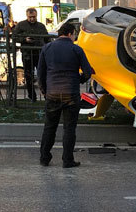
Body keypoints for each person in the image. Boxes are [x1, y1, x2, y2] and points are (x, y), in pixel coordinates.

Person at [38, 23, 94, 168]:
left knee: (49, 127)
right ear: (70, 33)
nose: (75, 37)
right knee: (69, 129)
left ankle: (45, 158)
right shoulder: (76, 49)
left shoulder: (47, 48)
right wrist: (79, 80)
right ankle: (67, 160)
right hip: (71, 94)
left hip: (52, 94)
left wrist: (45, 91)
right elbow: (88, 72)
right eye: (75, 34)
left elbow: (41, 74)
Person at [13, 8, 49, 102]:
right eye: (30, 17)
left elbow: (47, 38)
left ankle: (46, 95)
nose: (32, 19)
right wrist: (24, 39)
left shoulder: (41, 26)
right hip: (27, 54)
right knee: (29, 76)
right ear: (27, 16)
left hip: (39, 53)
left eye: (34, 17)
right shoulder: (21, 25)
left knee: (42, 75)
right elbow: (14, 36)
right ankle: (32, 97)